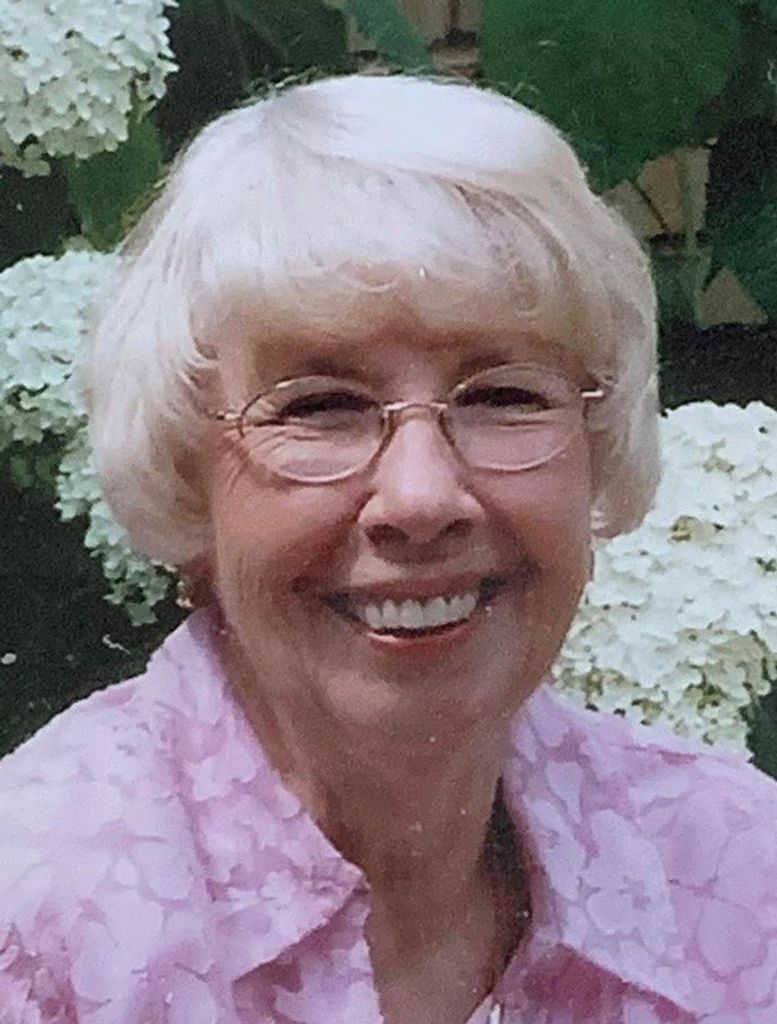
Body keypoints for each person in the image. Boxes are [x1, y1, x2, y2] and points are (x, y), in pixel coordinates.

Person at [1, 73, 776, 1024]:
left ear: (597, 442)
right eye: (320, 407)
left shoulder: (733, 866)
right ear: (186, 468)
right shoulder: (39, 933)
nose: (420, 498)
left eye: (504, 397)